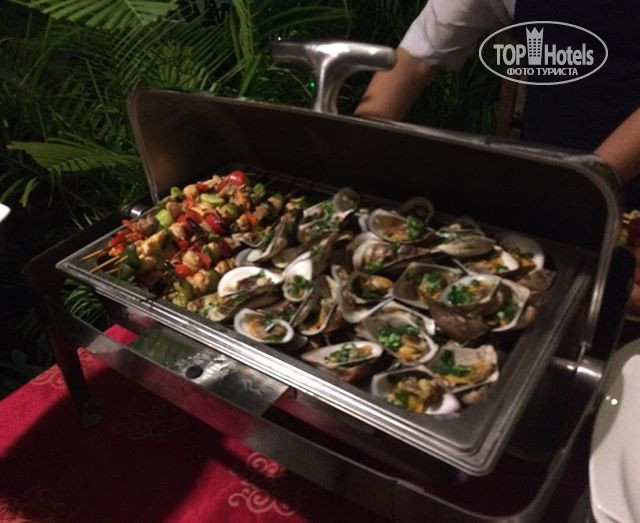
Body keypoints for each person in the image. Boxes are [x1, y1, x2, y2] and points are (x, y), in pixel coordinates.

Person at [355, 0, 640, 309]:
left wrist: (578, 197)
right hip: (552, 187)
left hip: (604, 201)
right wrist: (352, 159)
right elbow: (415, 57)